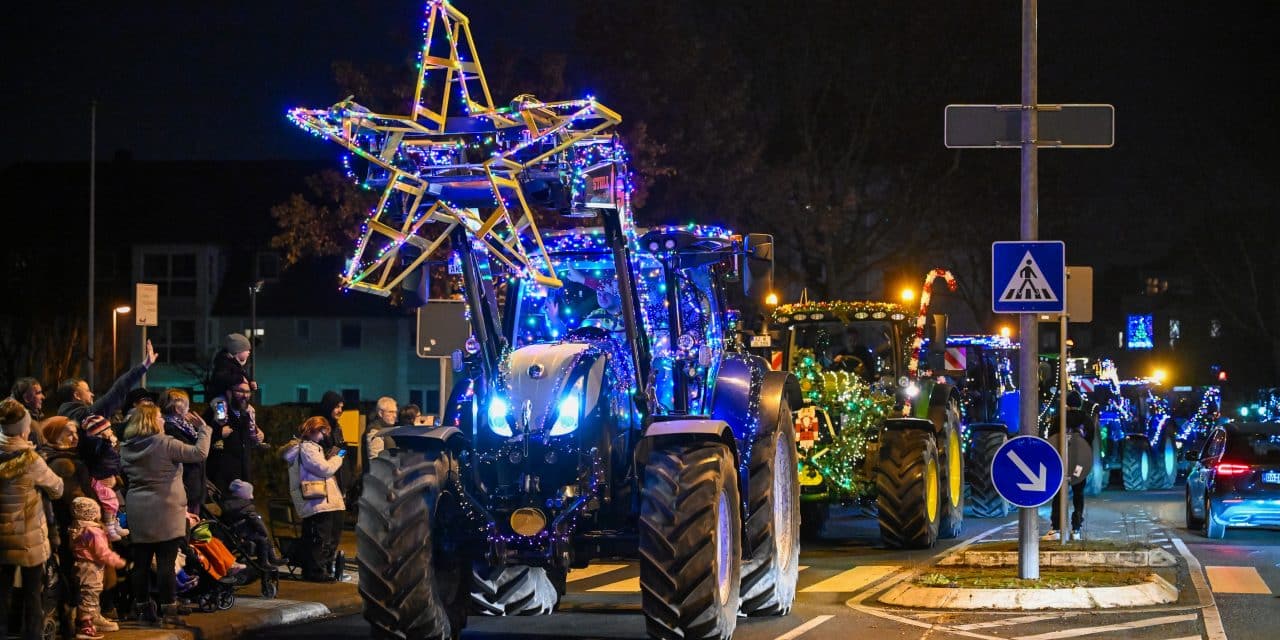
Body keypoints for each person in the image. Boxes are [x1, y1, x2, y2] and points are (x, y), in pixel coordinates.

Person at [119, 403, 211, 624]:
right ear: (151, 420)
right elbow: (199, 453)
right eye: (159, 417)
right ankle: (169, 610)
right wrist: (204, 430)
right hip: (166, 509)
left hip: (138, 509)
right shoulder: (165, 444)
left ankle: (144, 611)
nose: (162, 420)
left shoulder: (126, 447)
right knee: (165, 563)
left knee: (140, 563)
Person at [0, 400, 64, 640]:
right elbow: (57, 487)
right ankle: (32, 635)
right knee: (32, 591)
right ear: (23, 427)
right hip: (28, 536)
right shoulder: (31, 461)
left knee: (2, 590)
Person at [37, 416, 95, 640]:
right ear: (54, 435)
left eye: (76, 432)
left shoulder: (69, 458)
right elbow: (71, 497)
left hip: (67, 526)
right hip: (67, 526)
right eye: (68, 433)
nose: (75, 437)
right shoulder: (63, 463)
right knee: (71, 573)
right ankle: (72, 620)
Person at [280, 417, 346, 582]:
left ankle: (320, 569)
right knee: (319, 537)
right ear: (314, 429)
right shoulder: (308, 448)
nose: (324, 436)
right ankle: (316, 571)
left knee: (323, 535)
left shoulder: (311, 448)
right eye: (323, 432)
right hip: (317, 500)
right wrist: (338, 458)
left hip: (322, 501)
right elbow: (324, 469)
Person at [56, 339, 158, 424]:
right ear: (77, 395)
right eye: (87, 390)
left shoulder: (68, 414)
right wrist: (144, 366)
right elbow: (118, 391)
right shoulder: (81, 415)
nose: (92, 394)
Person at [69, 496, 126, 638]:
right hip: (91, 567)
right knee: (90, 594)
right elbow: (102, 552)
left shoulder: (76, 528)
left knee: (85, 594)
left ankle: (91, 619)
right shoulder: (93, 532)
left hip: (80, 565)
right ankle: (86, 627)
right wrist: (118, 561)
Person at [1046, 391, 1096, 541]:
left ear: (1066, 404)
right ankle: (1076, 529)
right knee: (1078, 495)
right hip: (1080, 461)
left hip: (1061, 461)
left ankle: (1056, 528)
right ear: (1079, 404)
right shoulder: (1087, 420)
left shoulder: (1059, 419)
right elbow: (1090, 440)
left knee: (1059, 495)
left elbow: (1051, 439)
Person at [204, 378, 263, 492]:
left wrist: (258, 435)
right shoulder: (217, 410)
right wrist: (218, 434)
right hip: (221, 479)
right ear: (229, 392)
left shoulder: (246, 413)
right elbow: (201, 435)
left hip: (243, 477)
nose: (245, 395)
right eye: (240, 391)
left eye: (247, 392)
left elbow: (249, 438)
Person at [160, 388, 210, 516]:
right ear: (177, 408)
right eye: (186, 404)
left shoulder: (186, 426)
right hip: (184, 487)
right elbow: (196, 453)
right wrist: (203, 429)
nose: (189, 408)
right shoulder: (170, 429)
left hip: (193, 485)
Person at [78, 414, 126, 540]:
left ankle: (115, 524)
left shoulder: (106, 445)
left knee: (113, 503)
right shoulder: (98, 446)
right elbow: (106, 462)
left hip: (107, 476)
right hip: (100, 479)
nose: (111, 431)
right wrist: (107, 441)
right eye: (108, 429)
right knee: (110, 503)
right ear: (101, 433)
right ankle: (110, 529)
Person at [221, 480, 283, 566]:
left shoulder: (227, 504)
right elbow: (257, 523)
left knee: (262, 538)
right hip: (242, 534)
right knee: (263, 539)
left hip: (233, 532)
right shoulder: (247, 508)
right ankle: (264, 562)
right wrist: (265, 533)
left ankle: (272, 559)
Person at [208, 333, 255, 402]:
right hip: (221, 400)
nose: (249, 352)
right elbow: (222, 378)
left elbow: (244, 377)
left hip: (232, 401)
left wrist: (251, 383)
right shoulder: (224, 363)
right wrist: (240, 378)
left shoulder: (236, 365)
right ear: (238, 351)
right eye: (246, 349)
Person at [365, 396, 398, 462]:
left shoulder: (385, 429)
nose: (395, 415)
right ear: (380, 413)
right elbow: (375, 459)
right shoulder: (375, 431)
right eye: (391, 412)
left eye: (395, 412)